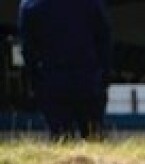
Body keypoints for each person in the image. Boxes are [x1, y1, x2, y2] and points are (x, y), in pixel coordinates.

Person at [18, 0, 112, 141]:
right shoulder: (92, 3)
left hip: (52, 79)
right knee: (94, 137)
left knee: (60, 137)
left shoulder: (31, 5)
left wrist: (36, 81)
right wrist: (104, 76)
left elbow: (28, 49)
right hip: (87, 78)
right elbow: (105, 39)